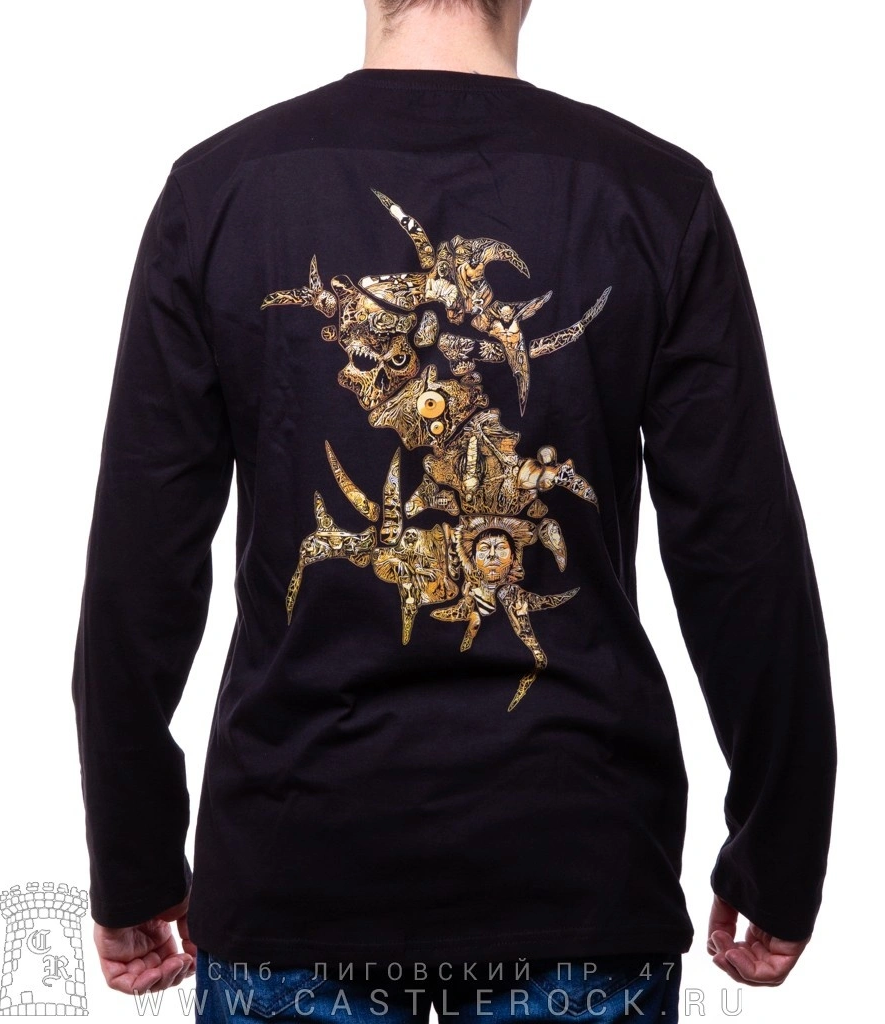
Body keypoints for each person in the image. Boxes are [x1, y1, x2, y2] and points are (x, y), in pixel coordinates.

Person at [70, 0, 837, 1019]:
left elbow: (140, 564)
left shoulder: (222, 194)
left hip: (295, 860)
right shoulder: (650, 196)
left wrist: (131, 857)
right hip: (577, 869)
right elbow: (740, 556)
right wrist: (779, 850)